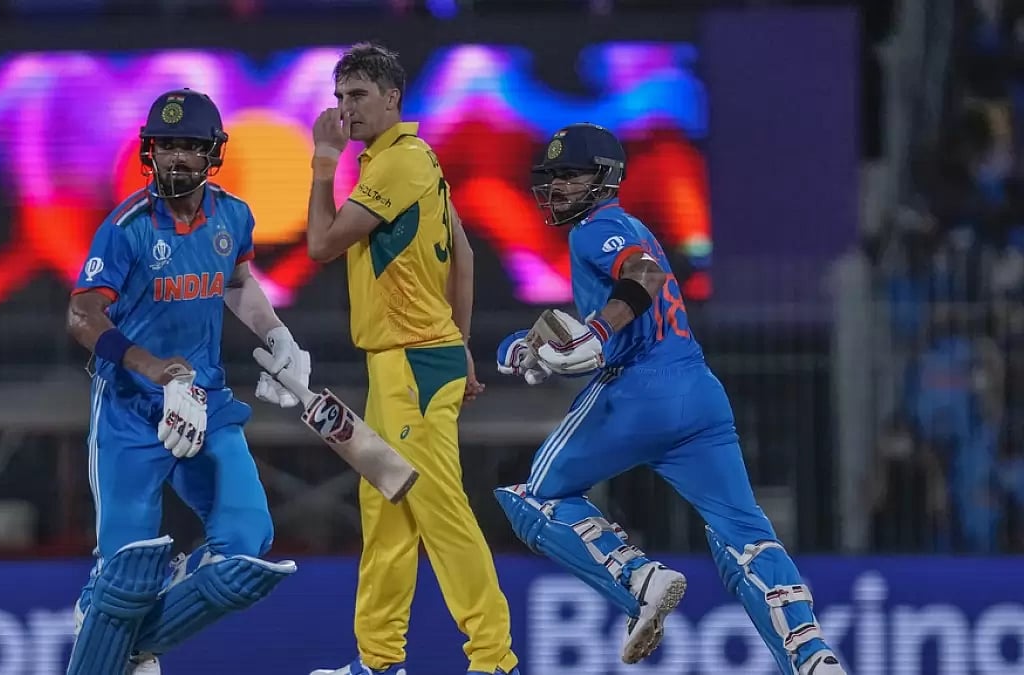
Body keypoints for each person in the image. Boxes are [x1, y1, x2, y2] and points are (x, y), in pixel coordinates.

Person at [493, 123, 846, 675]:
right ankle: (811, 658)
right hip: (699, 392)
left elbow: (645, 277)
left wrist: (598, 335)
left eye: (569, 174)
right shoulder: (631, 228)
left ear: (604, 177)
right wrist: (534, 345)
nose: (557, 186)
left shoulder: (594, 227)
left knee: (535, 496)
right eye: (553, 176)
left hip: (638, 390)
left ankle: (640, 580)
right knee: (745, 538)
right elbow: (631, 283)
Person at [64, 88, 310, 675]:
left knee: (246, 545)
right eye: (167, 145)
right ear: (150, 151)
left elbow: (237, 284)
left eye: (190, 147)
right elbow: (81, 316)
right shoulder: (124, 228)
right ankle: (112, 610)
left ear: (212, 155)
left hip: (206, 405)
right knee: (127, 567)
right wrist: (158, 370)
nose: (178, 158)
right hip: (128, 410)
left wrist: (277, 336)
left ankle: (132, 638)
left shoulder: (233, 216)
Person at [302, 43, 520, 675]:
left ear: (393, 98)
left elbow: (319, 244)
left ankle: (493, 660)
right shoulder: (413, 161)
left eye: (359, 96)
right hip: (407, 362)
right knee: (388, 512)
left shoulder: (398, 163)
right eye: (340, 98)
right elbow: (466, 255)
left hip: (416, 363)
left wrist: (322, 162)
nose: (346, 110)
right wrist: (464, 347)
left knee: (437, 508)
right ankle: (378, 663)